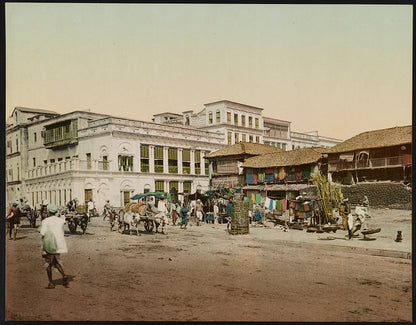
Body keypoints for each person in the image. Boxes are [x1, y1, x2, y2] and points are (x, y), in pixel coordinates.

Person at [40, 204, 69, 289]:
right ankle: (64, 275)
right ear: (56, 212)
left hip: (50, 244)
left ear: (48, 212)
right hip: (59, 244)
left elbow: (43, 233)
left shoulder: (45, 221)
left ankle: (51, 283)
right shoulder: (61, 221)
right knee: (55, 261)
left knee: (48, 263)